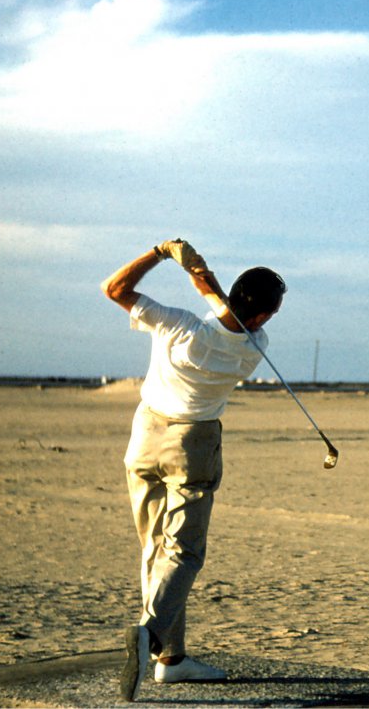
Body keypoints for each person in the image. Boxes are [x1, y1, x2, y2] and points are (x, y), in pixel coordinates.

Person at [101, 238, 285, 701]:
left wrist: (161, 254)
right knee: (183, 552)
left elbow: (115, 289)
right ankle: (151, 635)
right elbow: (225, 307)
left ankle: (172, 660)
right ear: (262, 314)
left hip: (144, 438)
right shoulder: (255, 346)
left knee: (154, 549)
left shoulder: (177, 324)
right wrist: (196, 270)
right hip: (194, 443)